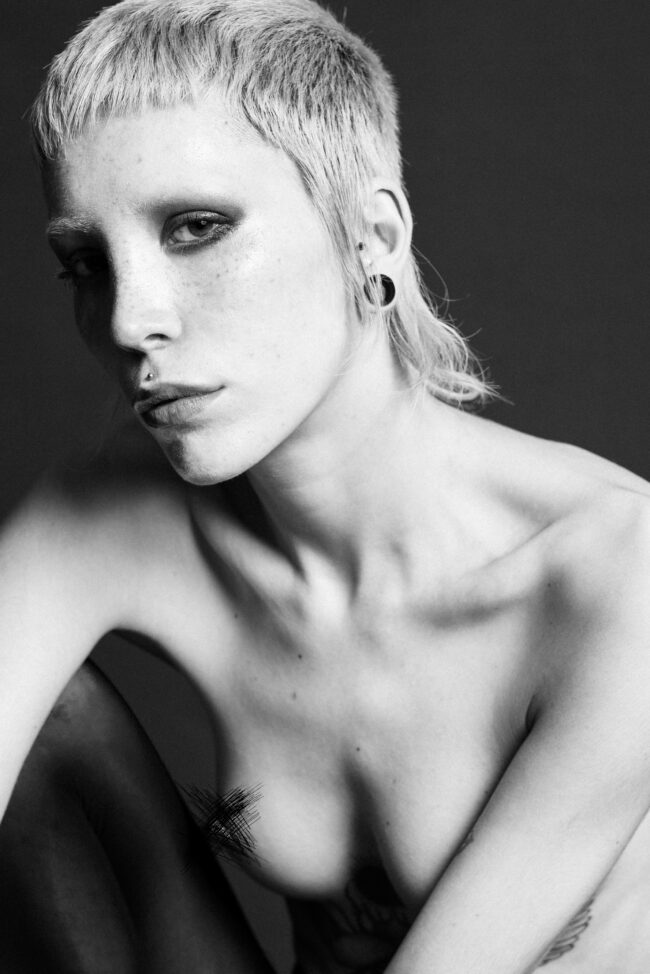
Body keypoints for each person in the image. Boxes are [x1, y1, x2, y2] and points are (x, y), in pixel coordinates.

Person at [1, 0, 650, 971]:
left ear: (372, 235)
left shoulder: (616, 579)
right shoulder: (104, 512)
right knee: (58, 718)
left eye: (196, 228)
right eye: (85, 264)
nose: (130, 321)